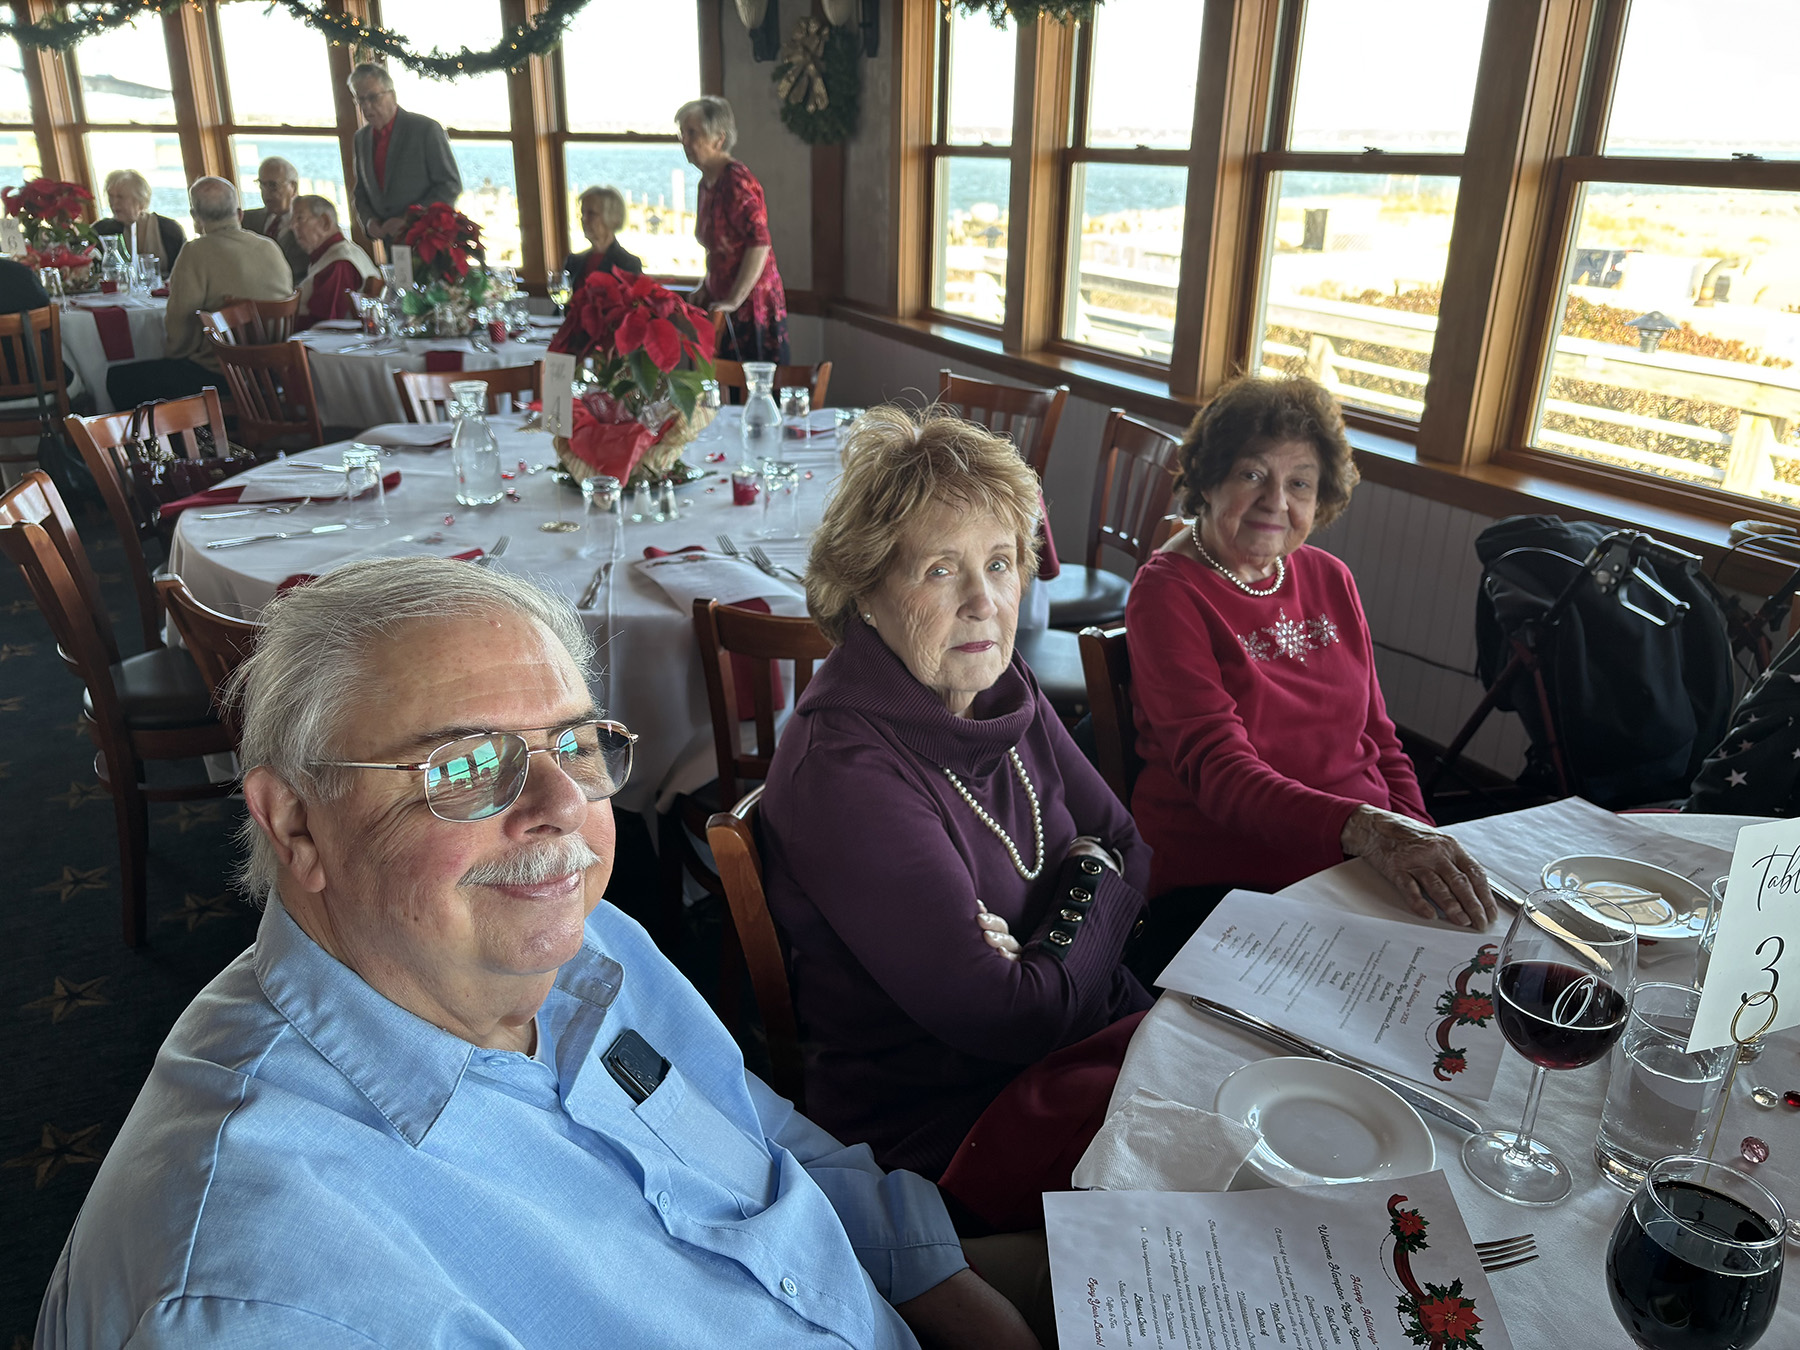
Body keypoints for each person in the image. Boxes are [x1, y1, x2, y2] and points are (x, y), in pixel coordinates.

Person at [36, 557, 1039, 1350]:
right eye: (468, 765)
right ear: (296, 824)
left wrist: (935, 1277)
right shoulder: (259, 1296)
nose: (564, 806)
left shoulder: (581, 943)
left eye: (574, 743)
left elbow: (761, 1135)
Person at [760, 408, 1152, 1190]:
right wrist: (1091, 886)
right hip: (953, 1123)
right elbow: (1013, 1019)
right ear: (866, 592)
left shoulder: (1000, 686)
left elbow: (1132, 847)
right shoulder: (844, 771)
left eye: (1000, 563)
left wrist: (1047, 942)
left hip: (1087, 1052)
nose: (983, 601)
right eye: (941, 569)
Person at [1124, 375, 1497, 952]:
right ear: (1208, 478)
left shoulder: (1329, 576)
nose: (1276, 501)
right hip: (1233, 874)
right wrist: (1369, 830)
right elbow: (1220, 774)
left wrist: (1417, 836)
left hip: (1360, 861)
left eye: (1299, 483)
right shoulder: (1167, 592)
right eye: (1252, 475)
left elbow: (1380, 738)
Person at [103, 177, 294, 410]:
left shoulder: (195, 252)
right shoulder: (269, 247)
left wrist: (173, 357)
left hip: (223, 375)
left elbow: (179, 325)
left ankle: (185, 433)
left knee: (118, 378)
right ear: (239, 213)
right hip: (274, 373)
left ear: (195, 217)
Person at [678, 95, 788, 362]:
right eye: (682, 133)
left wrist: (734, 301)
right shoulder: (706, 183)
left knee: (748, 380)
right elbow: (718, 249)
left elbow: (759, 243)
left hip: (750, 305)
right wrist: (705, 285)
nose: (685, 141)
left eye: (692, 133)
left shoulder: (736, 181)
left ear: (719, 138)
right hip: (722, 303)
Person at [349, 62, 462, 244]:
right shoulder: (361, 139)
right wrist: (369, 222)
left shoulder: (425, 129)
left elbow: (450, 186)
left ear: (392, 95)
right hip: (388, 242)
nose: (367, 106)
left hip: (427, 240)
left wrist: (410, 220)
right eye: (360, 99)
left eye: (373, 97)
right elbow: (361, 191)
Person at [290, 194, 378, 330]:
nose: (292, 226)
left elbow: (326, 322)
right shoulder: (331, 254)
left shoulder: (339, 263)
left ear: (325, 222)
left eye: (299, 219)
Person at [91, 168, 184, 274]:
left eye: (120, 197)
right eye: (111, 197)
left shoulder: (170, 230)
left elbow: (184, 271)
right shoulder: (101, 231)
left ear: (141, 201)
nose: (114, 203)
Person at [240, 155, 311, 285]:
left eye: (273, 185)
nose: (266, 192)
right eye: (261, 184)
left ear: (293, 187)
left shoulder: (310, 226)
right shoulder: (246, 220)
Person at [564, 184, 643, 285]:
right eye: (582, 213)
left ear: (612, 218)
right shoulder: (573, 262)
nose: (583, 219)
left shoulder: (628, 264)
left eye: (591, 213)